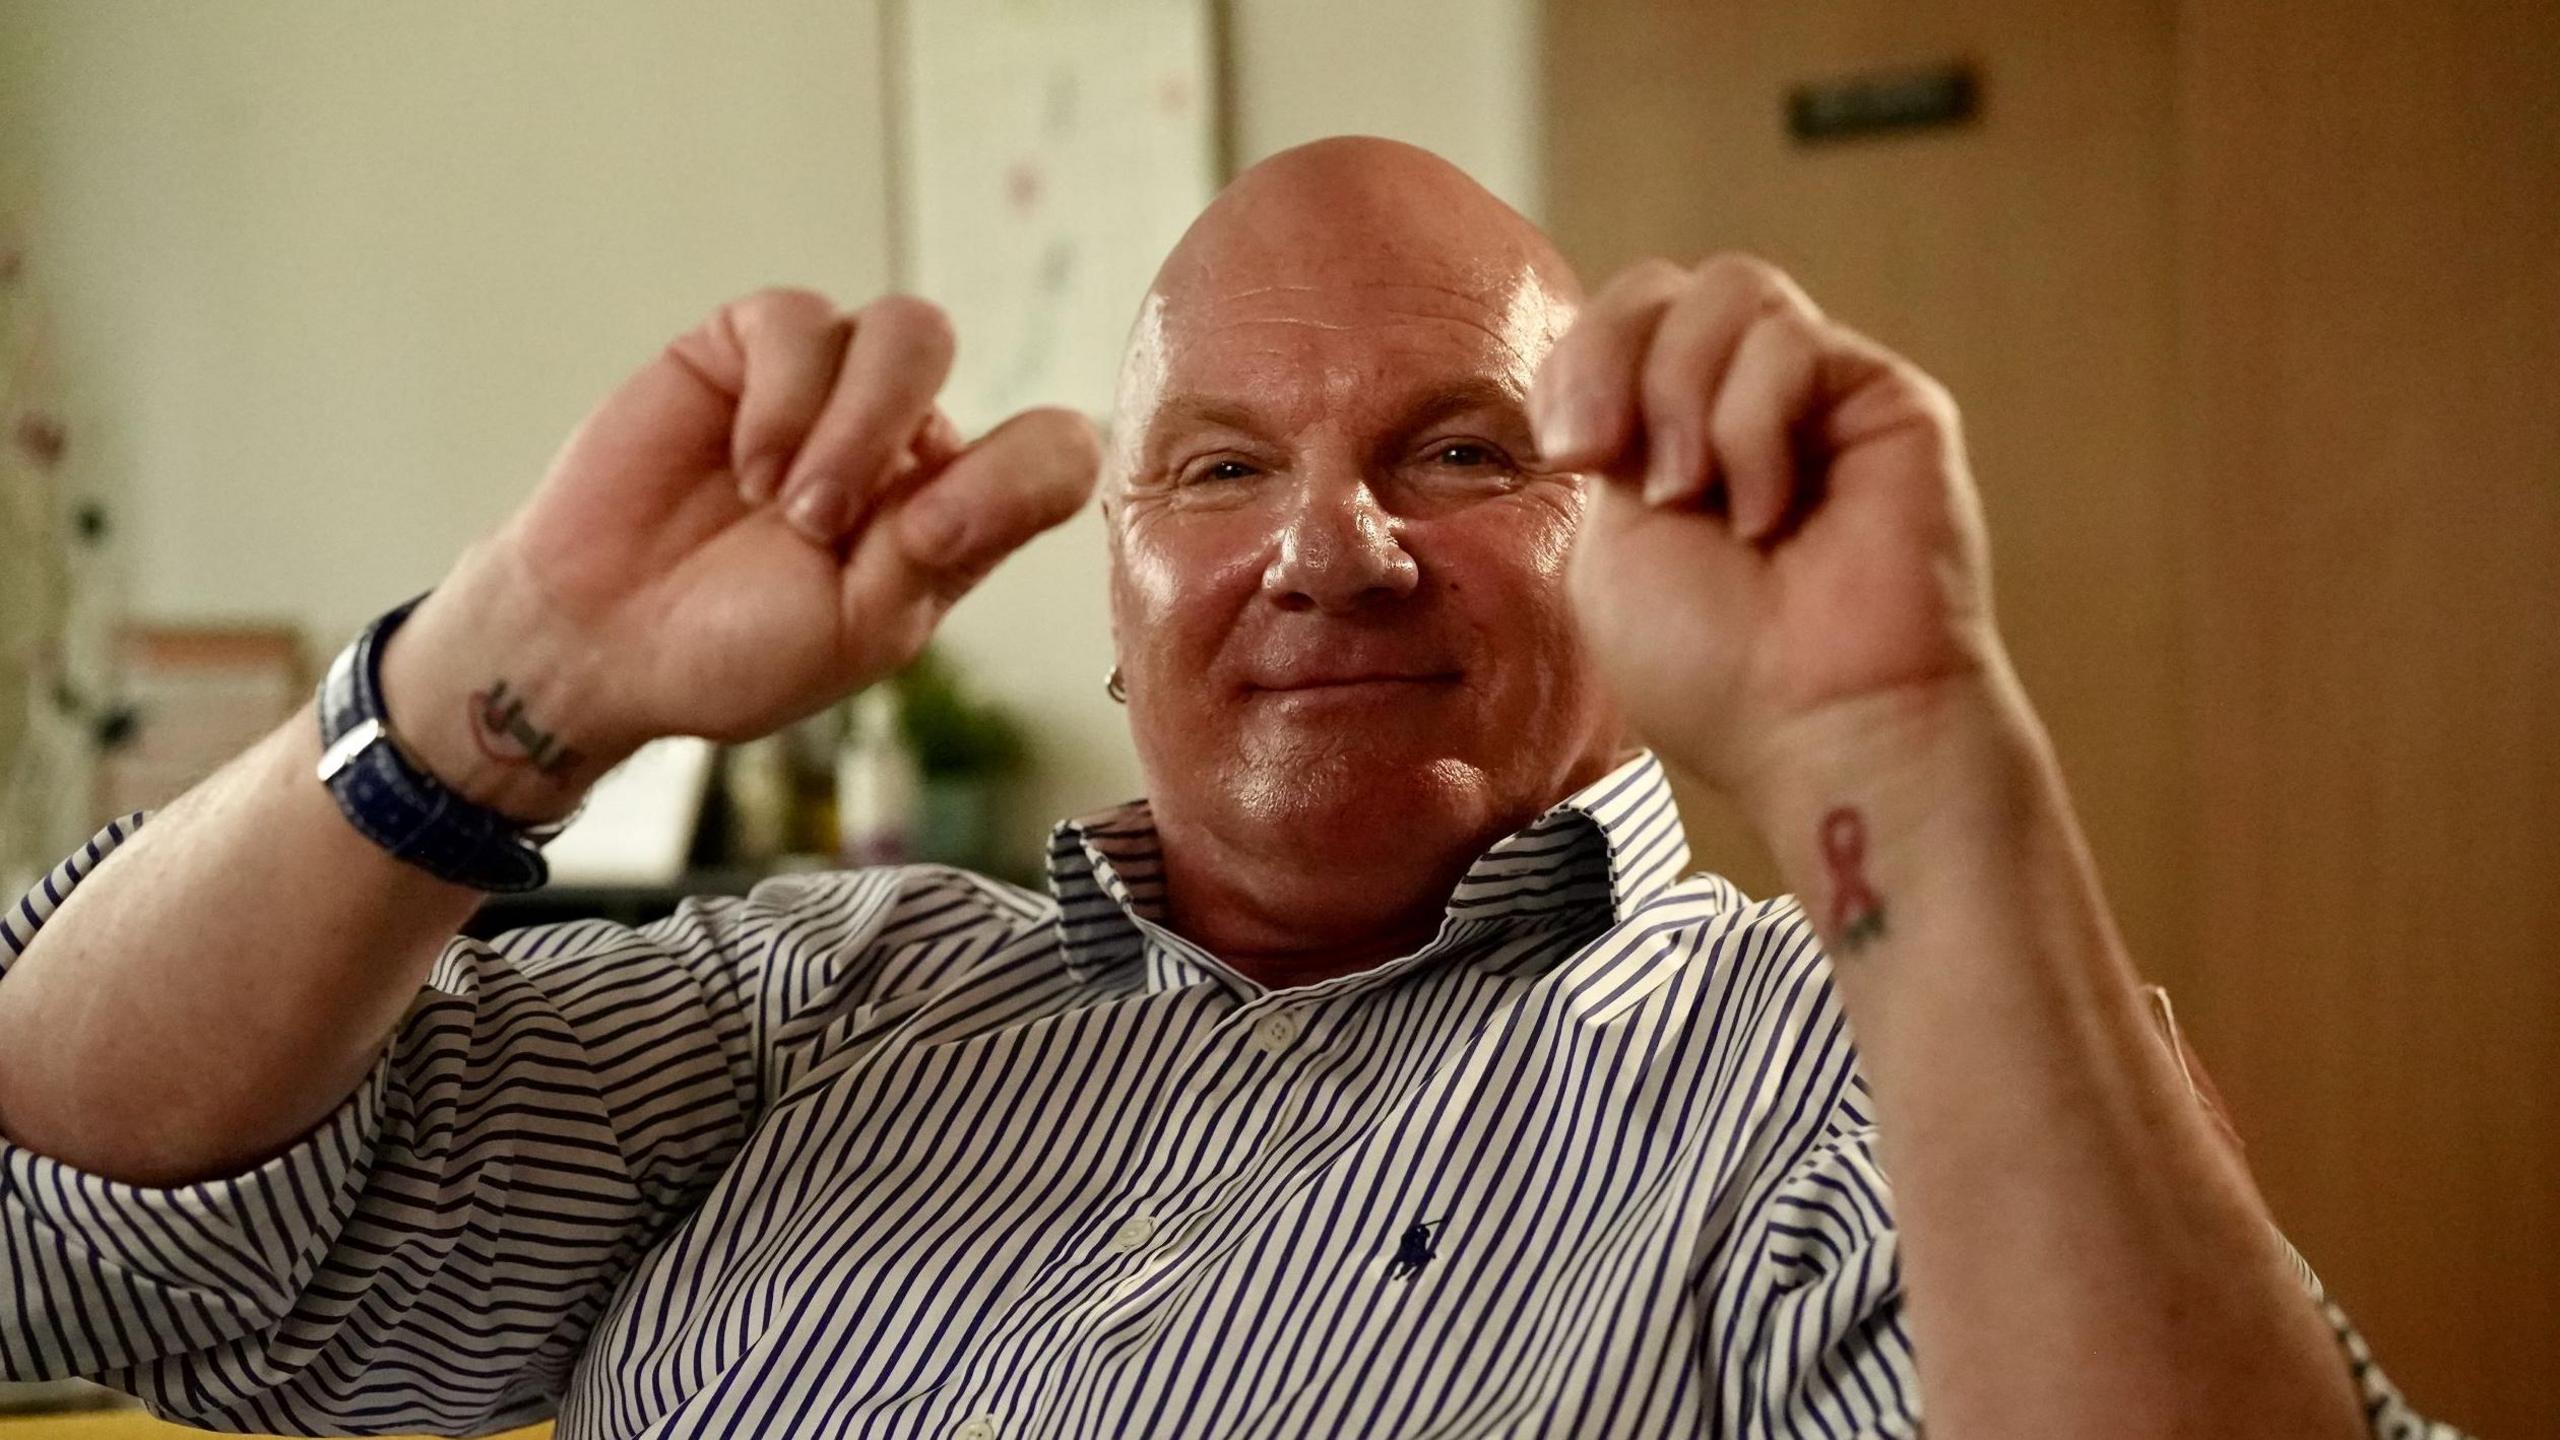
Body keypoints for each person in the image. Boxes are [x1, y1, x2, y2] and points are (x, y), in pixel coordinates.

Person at [0, 138, 2451, 1439]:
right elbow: (69, 1200)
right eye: (1218, 466)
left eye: (1460, 446)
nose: (1330, 548)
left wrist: (1910, 754)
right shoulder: (821, 1004)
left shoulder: (1863, 1078)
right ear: (1112, 588)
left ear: (1617, 532)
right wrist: (488, 685)